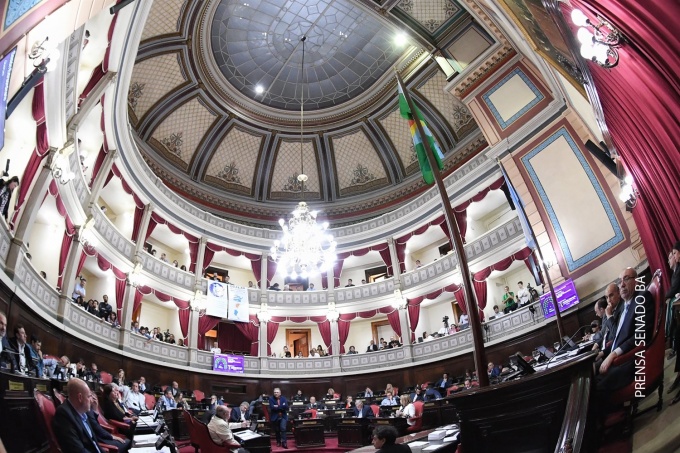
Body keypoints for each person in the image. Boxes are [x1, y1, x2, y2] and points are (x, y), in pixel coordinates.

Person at [596, 268, 655, 397]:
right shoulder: (624, 305)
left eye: (626, 279)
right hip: (618, 359)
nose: (622, 284)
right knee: (591, 379)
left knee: (595, 390)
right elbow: (619, 337)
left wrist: (613, 355)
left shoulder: (642, 298)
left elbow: (641, 335)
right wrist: (603, 353)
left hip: (629, 361)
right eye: (620, 281)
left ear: (636, 281)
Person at [53, 379, 130, 453]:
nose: (91, 400)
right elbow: (78, 450)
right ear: (80, 397)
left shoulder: (82, 410)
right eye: (89, 396)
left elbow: (94, 441)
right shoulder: (64, 415)